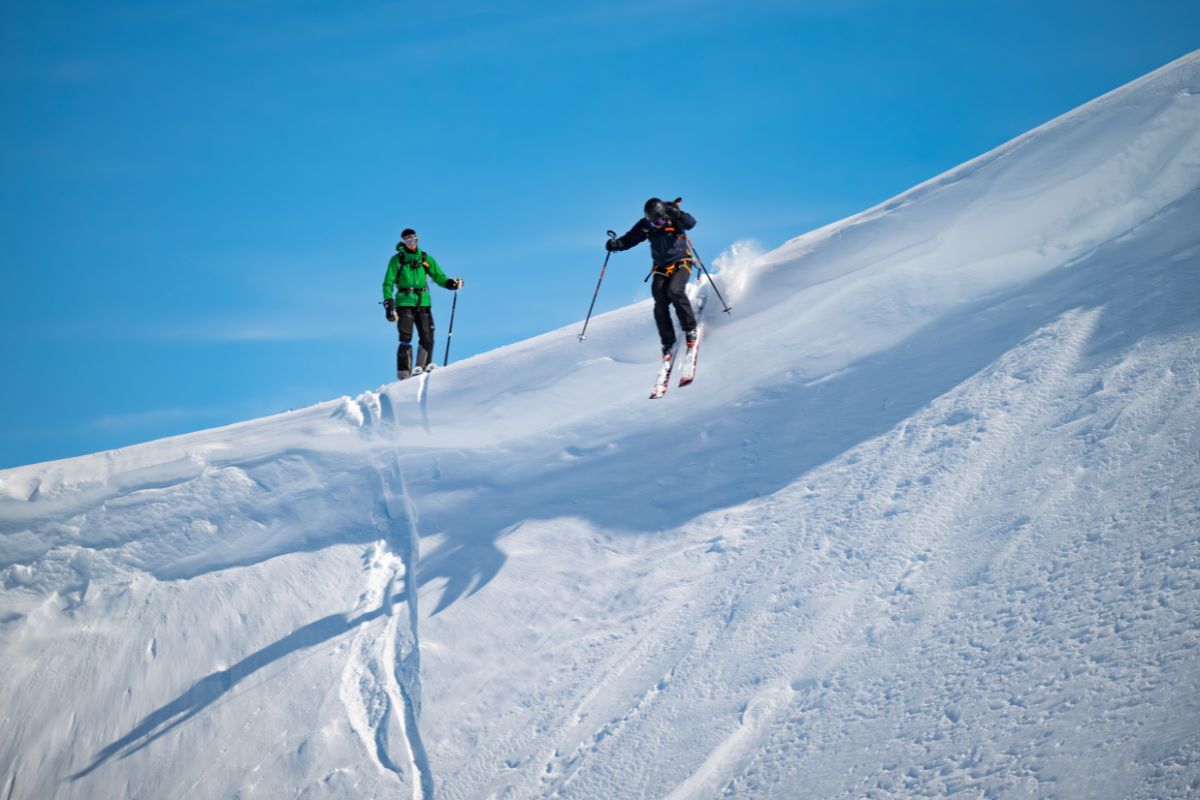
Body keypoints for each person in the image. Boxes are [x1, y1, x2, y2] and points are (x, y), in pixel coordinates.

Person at [606, 198, 698, 357]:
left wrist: (679, 215)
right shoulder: (646, 225)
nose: (658, 224)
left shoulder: (673, 216)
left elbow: (691, 223)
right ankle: (668, 341)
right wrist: (616, 245)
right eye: (654, 222)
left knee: (675, 291)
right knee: (660, 300)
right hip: (661, 267)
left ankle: (690, 329)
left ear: (665, 215)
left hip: (682, 262)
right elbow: (630, 239)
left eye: (661, 220)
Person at [382, 228, 463, 379]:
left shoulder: (425, 258)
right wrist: (388, 302)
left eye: (414, 240)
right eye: (408, 241)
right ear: (403, 241)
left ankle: (422, 367)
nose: (412, 243)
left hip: (423, 300)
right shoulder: (397, 260)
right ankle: (404, 374)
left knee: (428, 335)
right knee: (406, 336)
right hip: (404, 301)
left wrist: (450, 283)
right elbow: (388, 283)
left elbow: (438, 276)